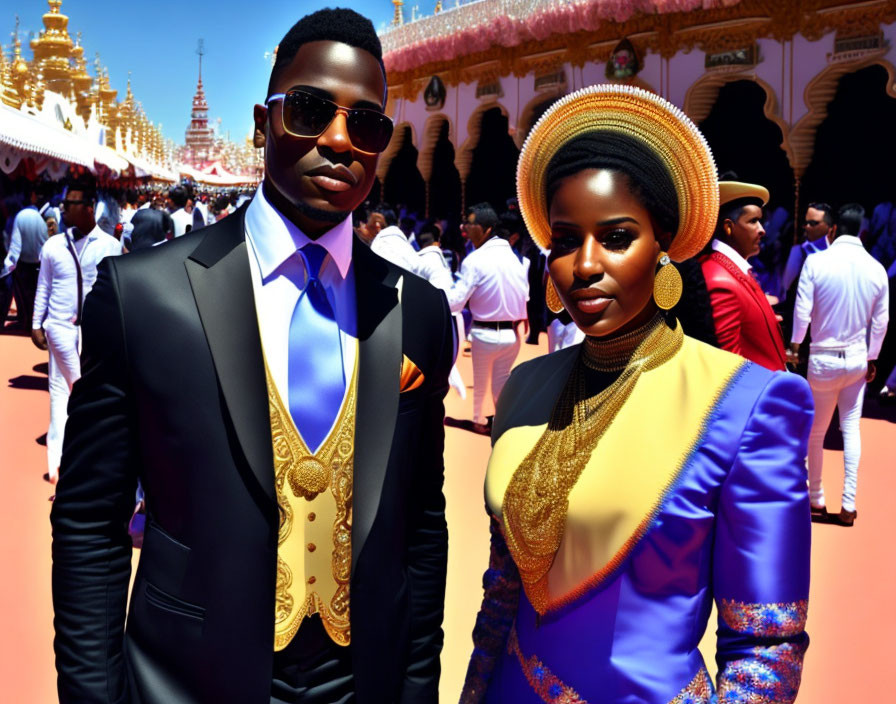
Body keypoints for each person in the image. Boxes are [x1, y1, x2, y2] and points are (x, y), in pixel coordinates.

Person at [51, 9, 453, 704]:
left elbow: (421, 523)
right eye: (309, 109)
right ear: (262, 125)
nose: (338, 140)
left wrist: (416, 688)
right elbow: (90, 521)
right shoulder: (146, 297)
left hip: (364, 683)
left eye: (366, 125)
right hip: (188, 679)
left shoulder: (412, 308)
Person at [461, 85, 812, 704]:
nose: (585, 265)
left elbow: (764, 645)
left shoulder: (746, 404)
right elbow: (501, 597)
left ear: (664, 249)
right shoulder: (526, 386)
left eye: (617, 237)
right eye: (566, 240)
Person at [790, 203, 889, 527]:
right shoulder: (876, 269)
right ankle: (848, 503)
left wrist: (794, 344)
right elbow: (881, 321)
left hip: (822, 357)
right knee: (851, 429)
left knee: (816, 432)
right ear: (862, 230)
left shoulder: (817, 262)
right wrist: (873, 355)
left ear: (833, 230)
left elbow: (802, 309)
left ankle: (816, 497)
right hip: (857, 359)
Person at [32, 177, 121, 483]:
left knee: (82, 391)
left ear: (88, 208)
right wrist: (35, 323)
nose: (63, 210)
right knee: (60, 393)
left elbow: (118, 293)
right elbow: (43, 285)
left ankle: (84, 460)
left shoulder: (110, 246)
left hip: (95, 334)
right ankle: (58, 466)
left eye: (69, 205)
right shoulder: (53, 244)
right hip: (58, 328)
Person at [447, 202, 529, 434]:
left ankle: (479, 422)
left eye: (470, 224)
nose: (464, 228)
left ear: (485, 229)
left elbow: (456, 302)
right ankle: (502, 421)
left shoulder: (475, 260)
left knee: (481, 383)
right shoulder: (516, 259)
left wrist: (437, 293)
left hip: (485, 333)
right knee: (501, 381)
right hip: (513, 334)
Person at [700, 180, 788, 370]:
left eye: (760, 221)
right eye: (753, 221)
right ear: (728, 227)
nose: (762, 230)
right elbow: (729, 367)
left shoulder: (733, 269)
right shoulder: (720, 279)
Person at [2, 202, 48, 329]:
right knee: (38, 293)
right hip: (40, 262)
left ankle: (25, 321)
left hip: (24, 263)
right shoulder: (39, 217)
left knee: (22, 295)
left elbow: (15, 246)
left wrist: (7, 267)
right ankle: (37, 323)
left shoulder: (19, 217)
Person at [782, 202, 834, 293]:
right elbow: (786, 287)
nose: (807, 227)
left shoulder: (836, 252)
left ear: (828, 226)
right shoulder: (798, 252)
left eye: (813, 223)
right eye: (806, 223)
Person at [361, 204, 419, 274]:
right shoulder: (408, 247)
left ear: (377, 225)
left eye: (367, 224)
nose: (364, 227)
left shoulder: (381, 245)